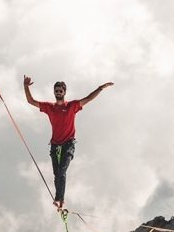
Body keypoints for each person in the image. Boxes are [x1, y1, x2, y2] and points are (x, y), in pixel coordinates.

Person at [23, 75, 114, 209]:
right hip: (55, 145)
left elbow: (88, 98)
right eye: (57, 91)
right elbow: (31, 101)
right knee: (56, 174)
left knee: (61, 171)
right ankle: (59, 199)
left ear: (64, 92)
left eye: (61, 91)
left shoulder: (72, 106)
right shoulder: (49, 107)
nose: (58, 93)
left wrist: (100, 88)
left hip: (68, 144)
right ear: (54, 92)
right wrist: (26, 86)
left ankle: (60, 199)